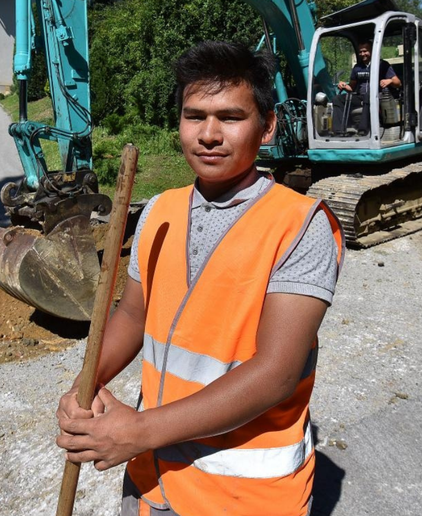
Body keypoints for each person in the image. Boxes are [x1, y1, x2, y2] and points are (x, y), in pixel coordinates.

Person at [56, 41, 345, 516]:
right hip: (154, 480)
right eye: (195, 116)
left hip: (242, 497)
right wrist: (83, 386)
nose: (209, 134)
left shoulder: (301, 225)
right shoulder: (159, 212)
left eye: (230, 117)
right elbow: (132, 313)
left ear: (267, 126)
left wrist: (138, 431)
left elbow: (276, 373)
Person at [331, 40, 401, 136]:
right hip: (360, 97)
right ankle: (338, 131)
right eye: (360, 51)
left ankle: (363, 130)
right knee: (337, 99)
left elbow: (398, 83)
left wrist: (390, 81)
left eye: (365, 51)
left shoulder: (383, 65)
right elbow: (352, 87)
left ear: (372, 51)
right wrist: (344, 85)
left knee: (369, 95)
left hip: (378, 97)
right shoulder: (357, 68)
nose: (362, 54)